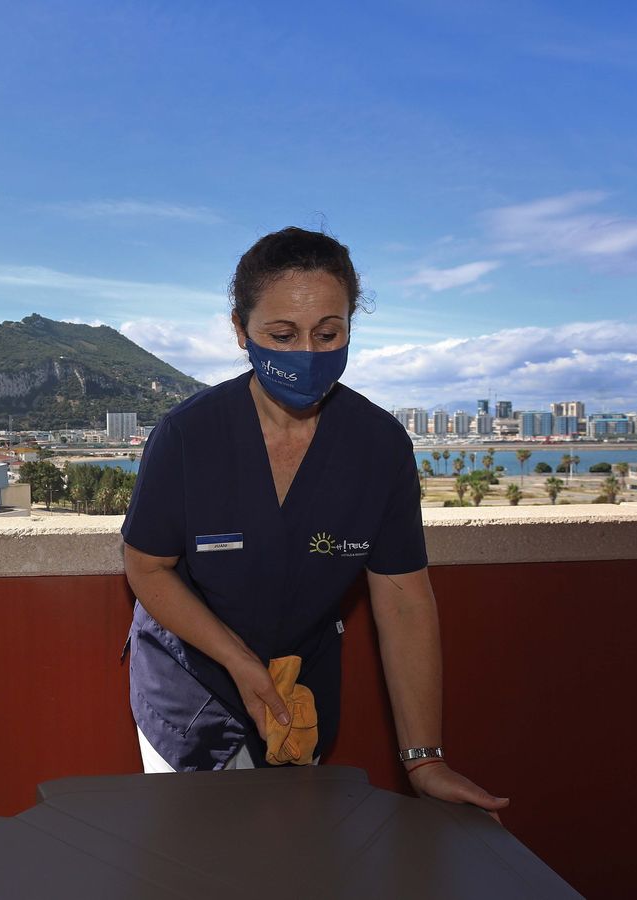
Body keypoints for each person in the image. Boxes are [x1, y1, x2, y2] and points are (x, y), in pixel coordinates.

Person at [121, 226, 508, 816]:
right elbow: (147, 567)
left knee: (291, 856)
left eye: (329, 334)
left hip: (300, 689)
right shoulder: (186, 437)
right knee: (196, 858)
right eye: (282, 334)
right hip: (190, 688)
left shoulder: (378, 446)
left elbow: (403, 598)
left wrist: (424, 758)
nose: (306, 353)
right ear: (239, 330)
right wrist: (239, 660)